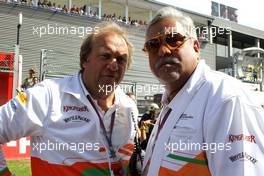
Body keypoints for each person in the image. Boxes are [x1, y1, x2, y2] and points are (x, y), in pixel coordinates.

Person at [0, 22, 138, 175]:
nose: (114, 66)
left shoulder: (129, 106)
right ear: (84, 59)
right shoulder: (47, 95)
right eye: (106, 56)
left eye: (121, 60)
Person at [141, 7, 264, 176]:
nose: (163, 50)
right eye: (153, 45)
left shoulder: (225, 97)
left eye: (173, 39)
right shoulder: (170, 101)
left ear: (196, 47)